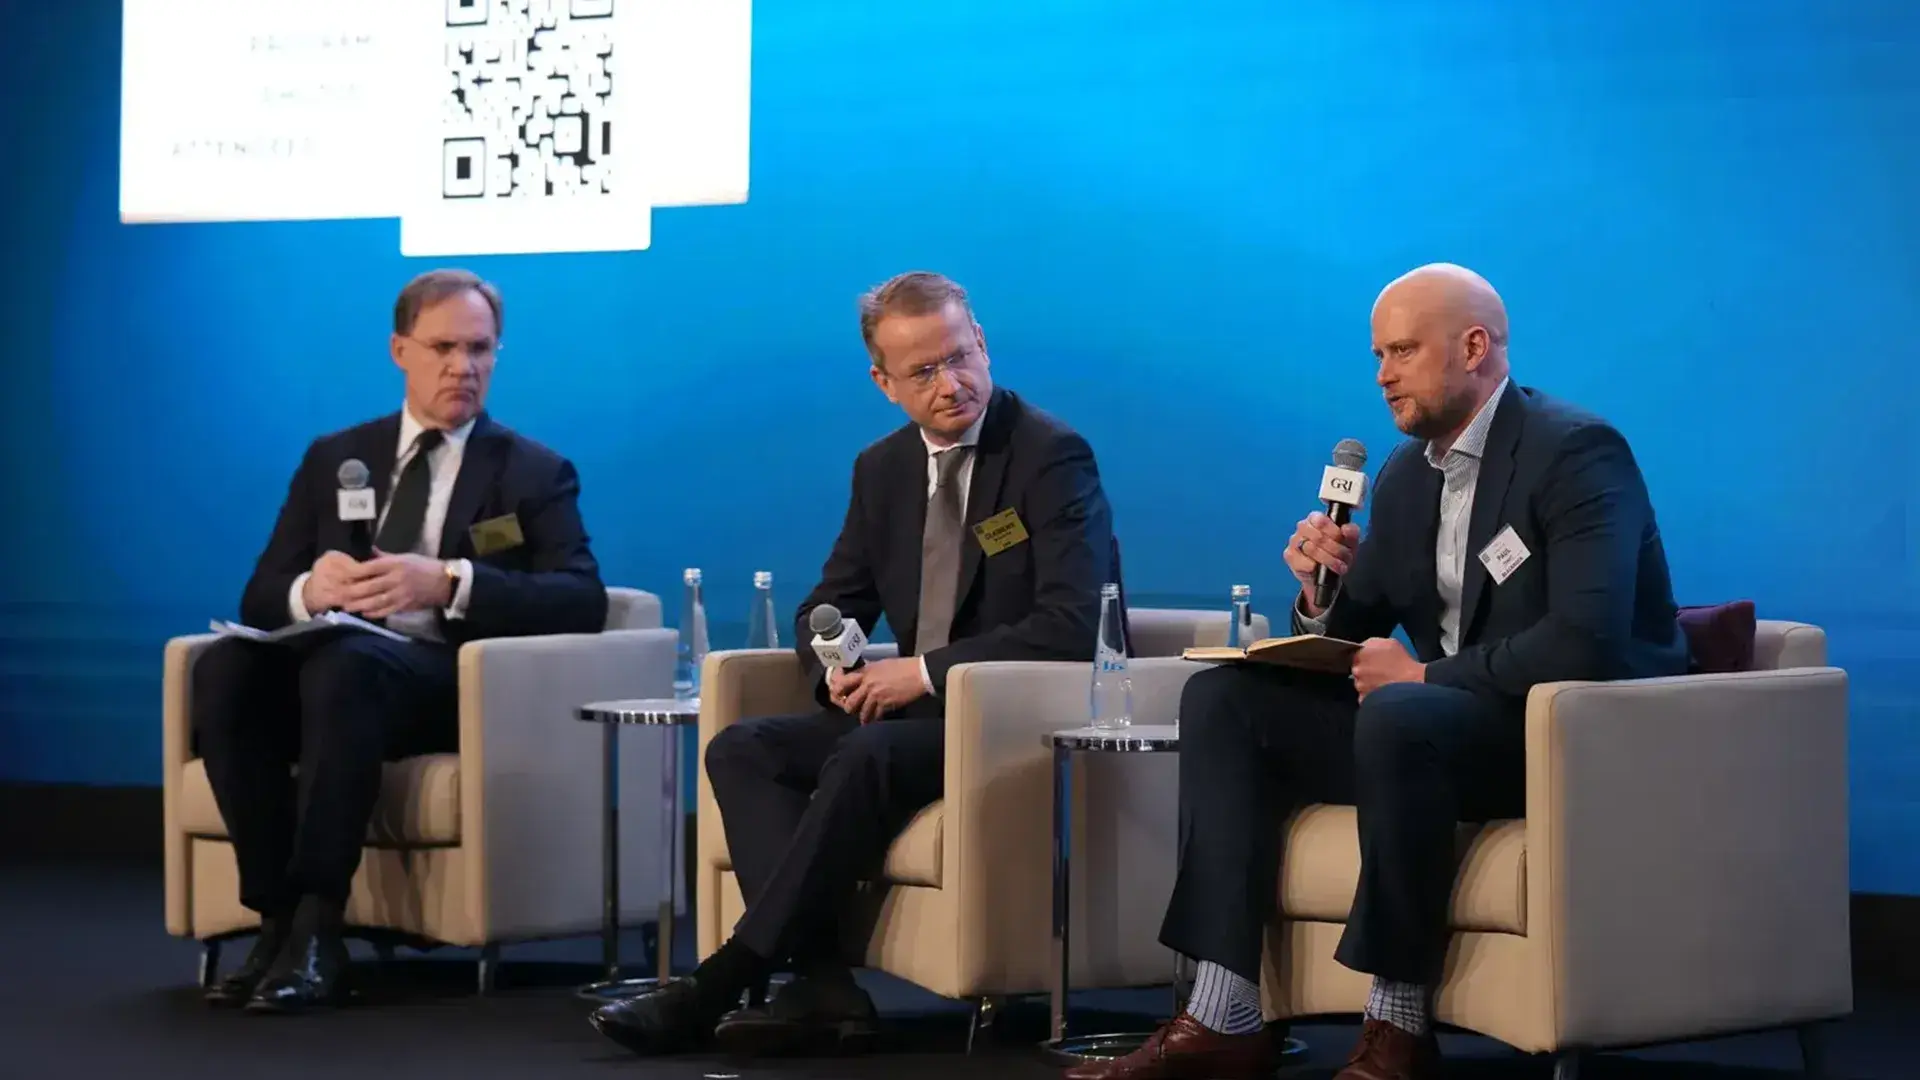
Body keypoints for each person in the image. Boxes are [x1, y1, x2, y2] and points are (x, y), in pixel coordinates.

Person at [1072, 264, 1689, 1080]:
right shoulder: (1405, 474)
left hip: (1564, 736)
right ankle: (1225, 1012)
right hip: (1432, 737)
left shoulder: (1574, 452)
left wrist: (1425, 681)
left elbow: (1587, 640)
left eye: (1401, 351)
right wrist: (1315, 595)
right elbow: (1349, 635)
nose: (1382, 375)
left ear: (1474, 348)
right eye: (1376, 355)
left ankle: (1397, 1021)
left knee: (1400, 713)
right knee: (1225, 697)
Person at [591, 270, 1117, 1057]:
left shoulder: (1048, 455)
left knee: (865, 752)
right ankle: (824, 987)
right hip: (917, 718)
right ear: (884, 383)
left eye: (961, 356)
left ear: (983, 344)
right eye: (924, 372)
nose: (953, 385)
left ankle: (725, 976)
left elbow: (1075, 625)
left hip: (1015, 716)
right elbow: (829, 604)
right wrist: (836, 660)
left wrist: (924, 670)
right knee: (743, 746)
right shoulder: (885, 469)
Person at [194, 269, 608, 1013]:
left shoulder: (532, 472)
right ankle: (276, 918)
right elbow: (260, 594)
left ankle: (322, 925)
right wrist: (309, 591)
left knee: (347, 666)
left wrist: (449, 582)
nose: (464, 367)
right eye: (444, 347)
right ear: (400, 350)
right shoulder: (335, 457)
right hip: (333, 671)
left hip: (441, 683)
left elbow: (580, 597)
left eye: (481, 349)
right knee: (226, 668)